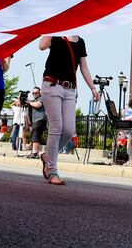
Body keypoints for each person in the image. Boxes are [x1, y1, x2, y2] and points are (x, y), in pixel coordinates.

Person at [35, 35, 99, 186]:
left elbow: (83, 66)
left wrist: (93, 88)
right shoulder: (56, 35)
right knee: (56, 128)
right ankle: (52, 172)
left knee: (69, 130)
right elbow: (42, 45)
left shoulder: (80, 40)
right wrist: (54, 26)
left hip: (70, 89)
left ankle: (47, 156)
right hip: (52, 85)